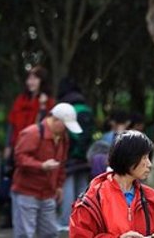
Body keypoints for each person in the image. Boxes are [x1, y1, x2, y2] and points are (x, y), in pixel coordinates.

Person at [69, 130, 154, 238]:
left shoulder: (152, 198)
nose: (149, 164)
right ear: (129, 158)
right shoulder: (92, 199)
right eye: (144, 158)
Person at [11, 102, 81, 238]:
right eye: (65, 125)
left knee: (50, 233)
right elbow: (19, 158)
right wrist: (41, 165)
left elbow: (62, 163)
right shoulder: (32, 133)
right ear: (56, 120)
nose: (66, 129)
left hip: (48, 193)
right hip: (27, 192)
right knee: (25, 234)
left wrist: (59, 186)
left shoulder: (63, 137)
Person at [2, 66, 54, 229]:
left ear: (42, 81)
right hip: (18, 145)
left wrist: (44, 106)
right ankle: (10, 216)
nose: (31, 82)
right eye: (29, 78)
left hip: (36, 148)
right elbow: (12, 123)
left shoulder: (48, 101)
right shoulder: (20, 99)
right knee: (13, 180)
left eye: (35, 78)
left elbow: (47, 125)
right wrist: (8, 146)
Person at [56, 79, 95, 229]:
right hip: (84, 155)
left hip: (70, 155)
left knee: (67, 186)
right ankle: (83, 221)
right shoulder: (86, 109)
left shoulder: (67, 109)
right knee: (82, 188)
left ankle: (65, 221)